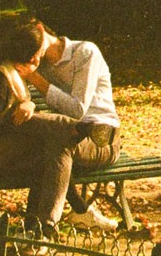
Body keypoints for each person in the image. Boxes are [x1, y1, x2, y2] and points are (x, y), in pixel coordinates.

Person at [0, 21, 111, 237]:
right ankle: (82, 131)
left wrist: (28, 106)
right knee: (48, 147)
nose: (37, 63)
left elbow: (18, 108)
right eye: (35, 59)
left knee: (50, 149)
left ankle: (38, 229)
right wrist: (18, 123)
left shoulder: (10, 72)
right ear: (30, 58)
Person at [30, 19, 122, 228]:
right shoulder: (38, 64)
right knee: (50, 145)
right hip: (69, 135)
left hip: (103, 138)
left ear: (40, 29)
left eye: (31, 42)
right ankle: (75, 213)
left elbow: (78, 109)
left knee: (59, 143)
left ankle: (44, 229)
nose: (29, 51)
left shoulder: (85, 52)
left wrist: (36, 80)